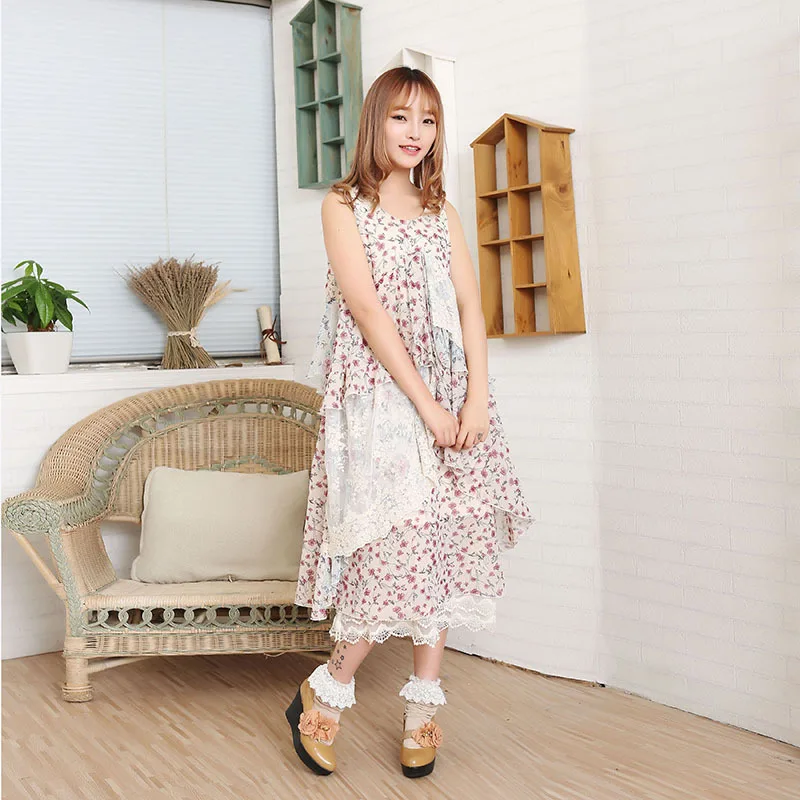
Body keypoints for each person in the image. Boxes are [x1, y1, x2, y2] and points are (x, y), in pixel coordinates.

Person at [284, 66, 534, 779]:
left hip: (452, 392)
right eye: (401, 117)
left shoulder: (439, 210)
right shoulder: (343, 205)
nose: (415, 133)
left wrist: (476, 398)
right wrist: (426, 406)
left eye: (428, 120)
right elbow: (366, 311)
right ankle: (327, 688)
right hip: (378, 397)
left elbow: (471, 308)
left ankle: (424, 707)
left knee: (445, 544)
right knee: (388, 547)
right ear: (376, 121)